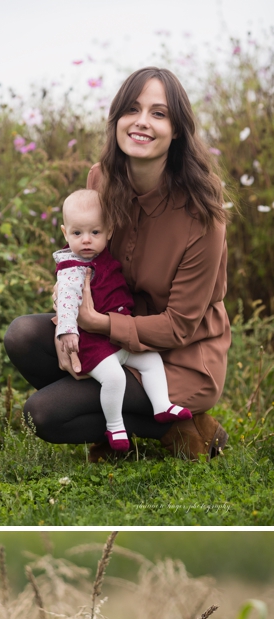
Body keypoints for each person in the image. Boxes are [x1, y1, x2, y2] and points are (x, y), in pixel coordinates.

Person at [5, 67, 230, 461]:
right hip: (111, 334)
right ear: (117, 119)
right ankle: (156, 425)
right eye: (132, 109)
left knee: (43, 414)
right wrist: (70, 299)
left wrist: (97, 324)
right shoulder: (101, 180)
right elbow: (86, 255)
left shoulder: (202, 215)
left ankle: (178, 423)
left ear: (177, 130)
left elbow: (179, 326)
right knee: (22, 336)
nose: (142, 122)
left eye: (158, 113)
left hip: (181, 357)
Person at [51, 188, 188, 451]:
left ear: (109, 232)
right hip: (92, 342)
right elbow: (67, 300)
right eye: (77, 233)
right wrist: (66, 330)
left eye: (95, 232)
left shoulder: (100, 257)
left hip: (116, 336)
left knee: (151, 360)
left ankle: (161, 405)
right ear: (65, 233)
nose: (87, 240)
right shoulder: (73, 269)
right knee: (114, 378)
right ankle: (115, 426)